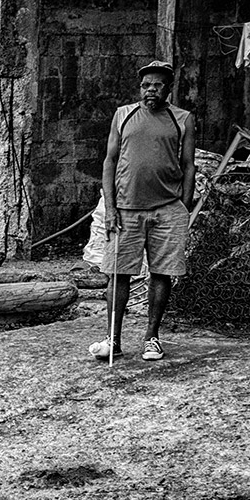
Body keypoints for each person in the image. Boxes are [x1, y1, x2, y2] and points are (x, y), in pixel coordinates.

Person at [93, 61, 196, 362]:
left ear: (168, 88)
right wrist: (110, 208)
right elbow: (109, 162)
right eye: (145, 85)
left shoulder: (183, 119)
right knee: (118, 274)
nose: (150, 90)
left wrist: (184, 207)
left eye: (157, 85)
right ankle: (113, 339)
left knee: (161, 273)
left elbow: (189, 165)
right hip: (125, 210)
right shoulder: (123, 115)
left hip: (167, 210)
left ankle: (152, 338)